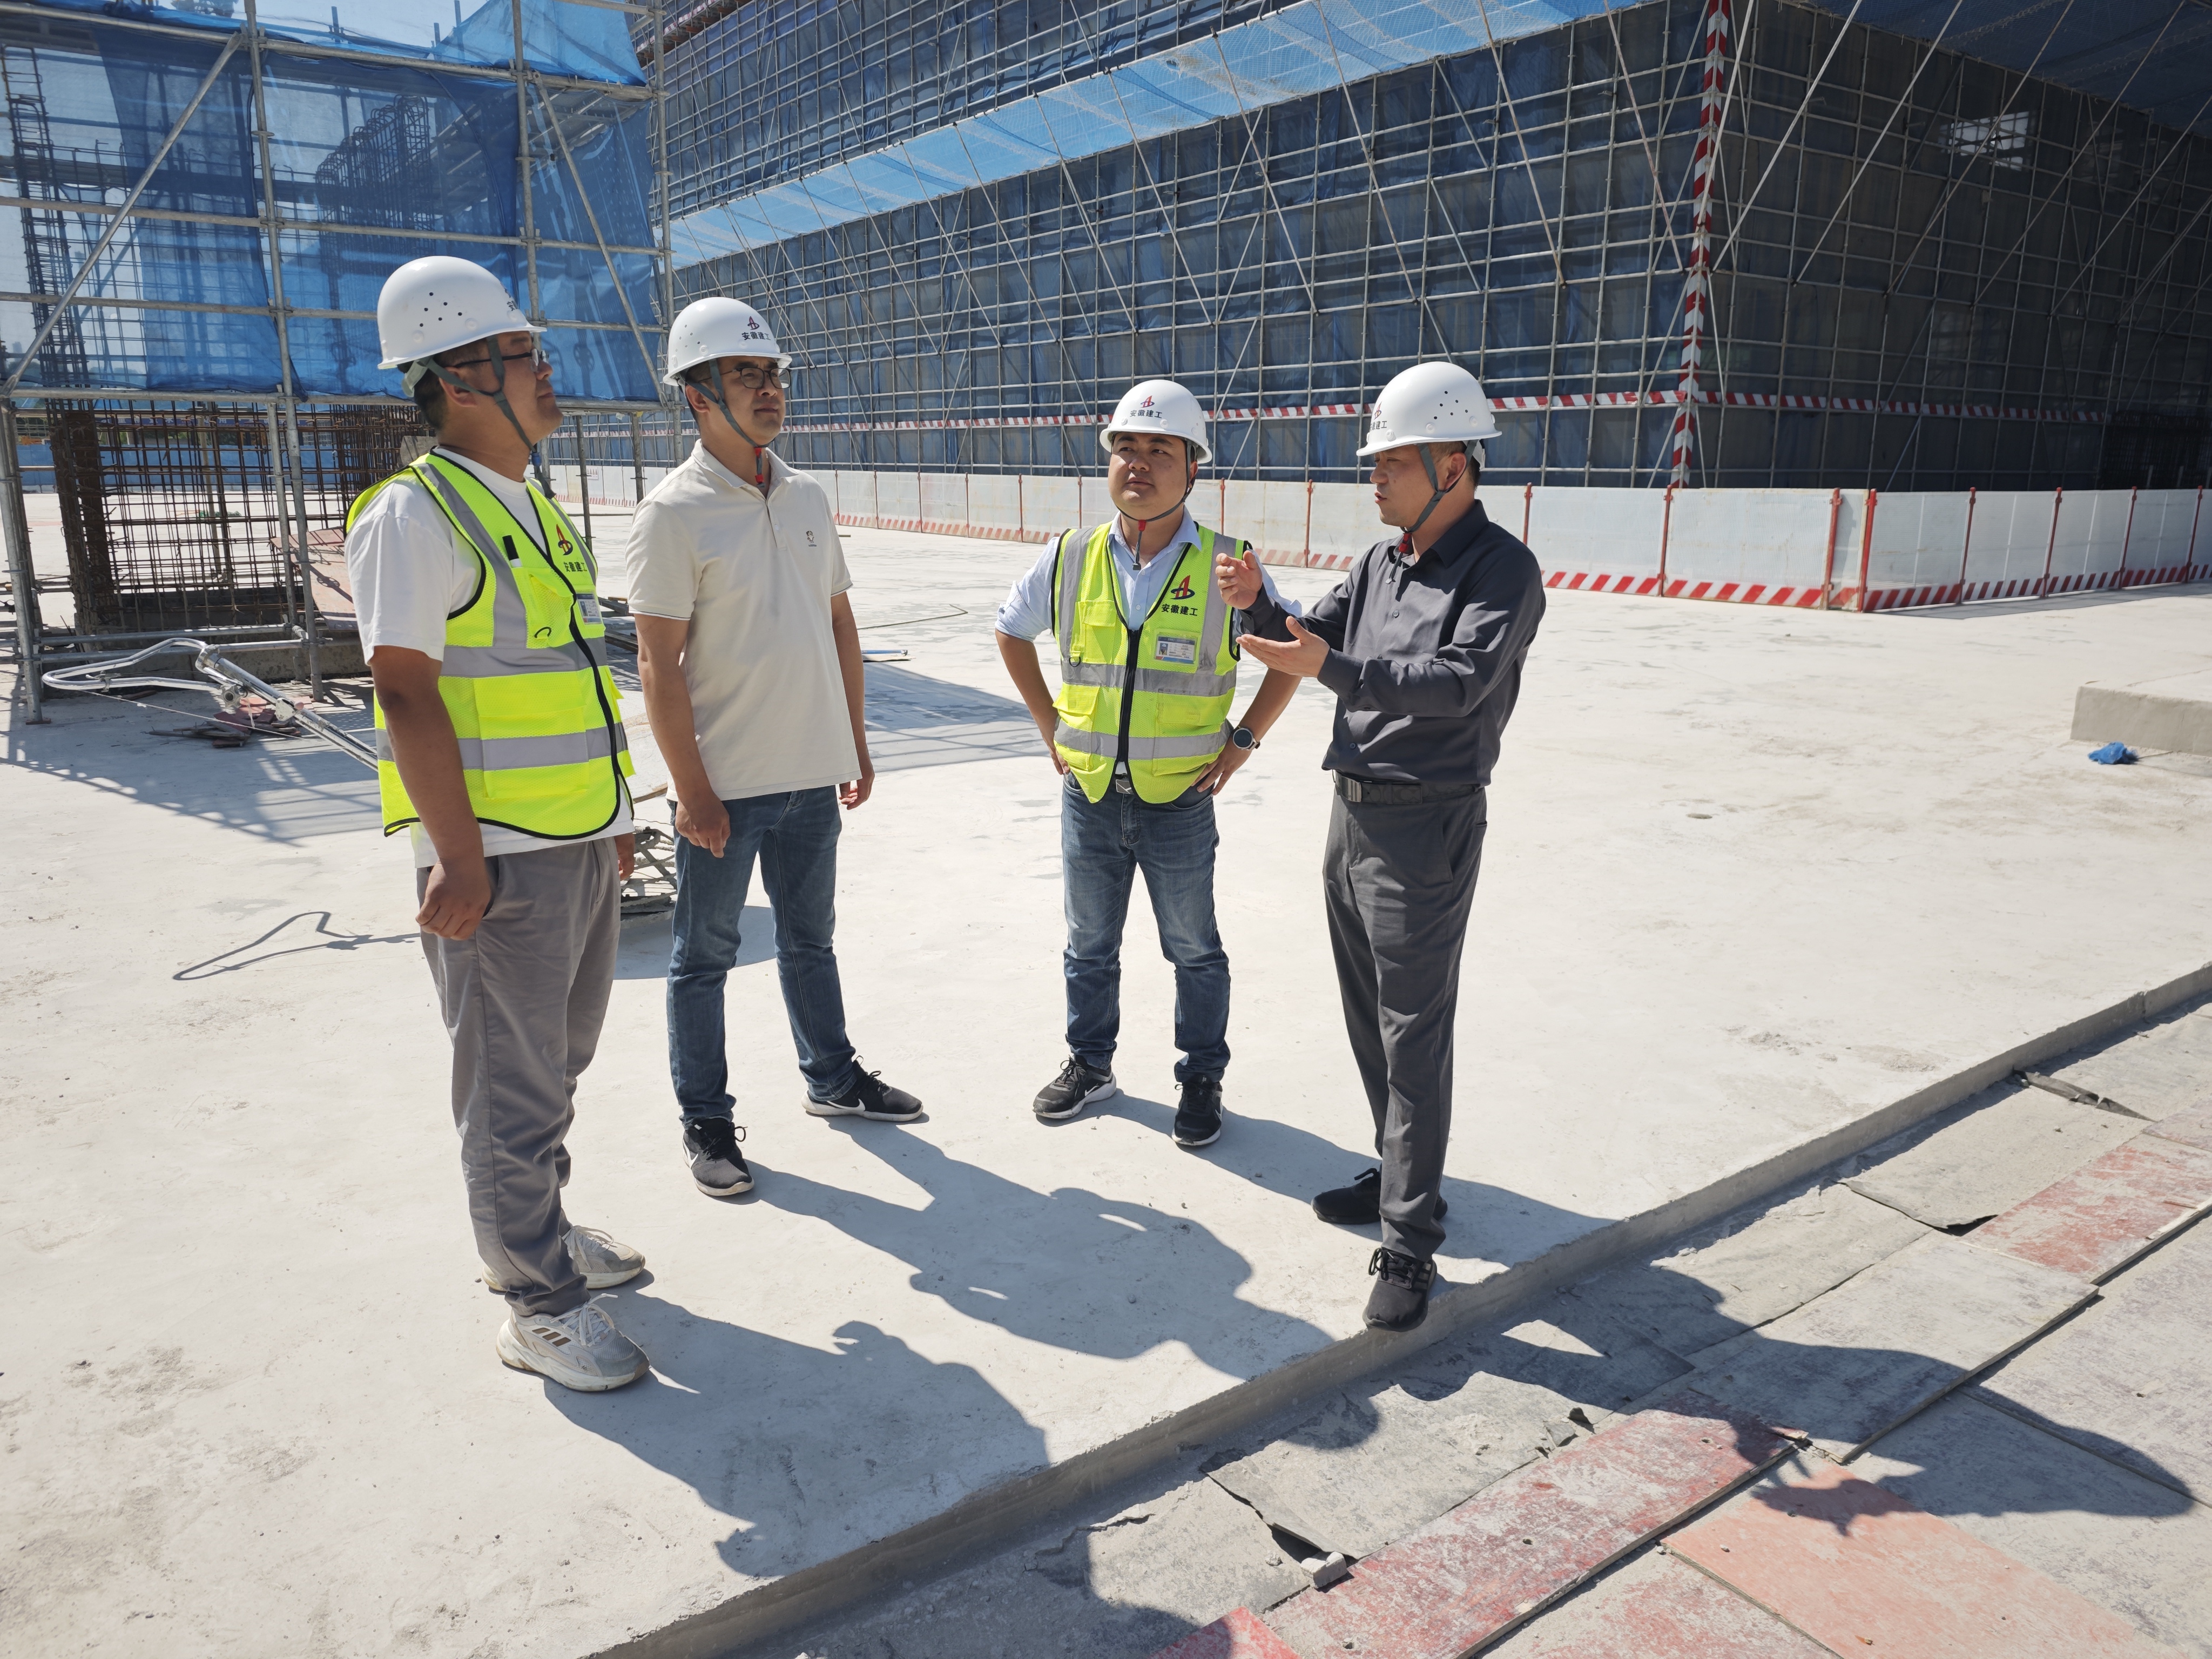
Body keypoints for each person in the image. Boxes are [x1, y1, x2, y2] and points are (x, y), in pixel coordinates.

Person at [346, 255, 649, 1391]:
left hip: (573, 835)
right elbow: (404, 689)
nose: (546, 370)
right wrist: (458, 859)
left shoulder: (531, 505)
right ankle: (536, 1299)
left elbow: (570, 678)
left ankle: (540, 1230)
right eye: (525, 355)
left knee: (556, 1065)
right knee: (510, 1091)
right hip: (498, 858)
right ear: (460, 375)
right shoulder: (414, 514)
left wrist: (616, 814)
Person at [1221, 360, 1545, 1333]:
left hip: (1425, 825)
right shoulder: (1380, 563)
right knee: (1370, 1015)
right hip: (1353, 814)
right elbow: (1306, 635)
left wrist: (1336, 668)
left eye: (1391, 462)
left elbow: (1458, 683)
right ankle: (1400, 1174)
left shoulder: (1502, 571)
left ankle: (1410, 1242)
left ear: (1454, 466)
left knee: (1414, 1033)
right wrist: (1255, 604)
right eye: (1376, 463)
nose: (1375, 478)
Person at [625, 296, 920, 1203]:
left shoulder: (806, 496)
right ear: (697, 394)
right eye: (746, 374)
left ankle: (832, 1078)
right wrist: (692, 790)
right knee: (702, 959)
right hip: (727, 785)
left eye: (773, 374)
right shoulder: (672, 515)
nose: (769, 389)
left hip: (810, 775)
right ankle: (706, 1120)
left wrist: (853, 740)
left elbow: (840, 624)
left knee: (810, 942)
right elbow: (657, 665)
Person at [996, 380, 1299, 1148]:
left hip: (1179, 801)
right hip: (1091, 795)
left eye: (1159, 450)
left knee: (1193, 948)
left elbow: (1292, 656)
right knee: (1088, 946)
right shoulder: (1072, 556)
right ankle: (1090, 1065)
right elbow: (1011, 631)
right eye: (1125, 448)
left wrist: (1243, 741)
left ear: (1193, 468)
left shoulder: (1230, 565)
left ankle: (1201, 1076)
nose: (1138, 463)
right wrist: (1049, 725)